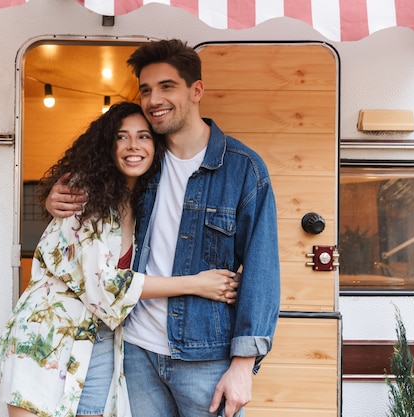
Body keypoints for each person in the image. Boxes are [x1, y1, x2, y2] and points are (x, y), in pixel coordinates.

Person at [46, 39, 281, 417]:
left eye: (166, 87)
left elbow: (262, 270)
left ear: (196, 90)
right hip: (136, 349)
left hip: (204, 356)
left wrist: (243, 365)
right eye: (146, 89)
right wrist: (55, 196)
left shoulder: (243, 169)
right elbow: (91, 193)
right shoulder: (141, 159)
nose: (154, 99)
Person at [0, 101, 239, 417]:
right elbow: (106, 288)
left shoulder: (142, 203)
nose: (133, 145)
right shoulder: (84, 195)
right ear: (107, 146)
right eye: (122, 137)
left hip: (101, 337)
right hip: (48, 333)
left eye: (144, 136)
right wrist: (197, 284)